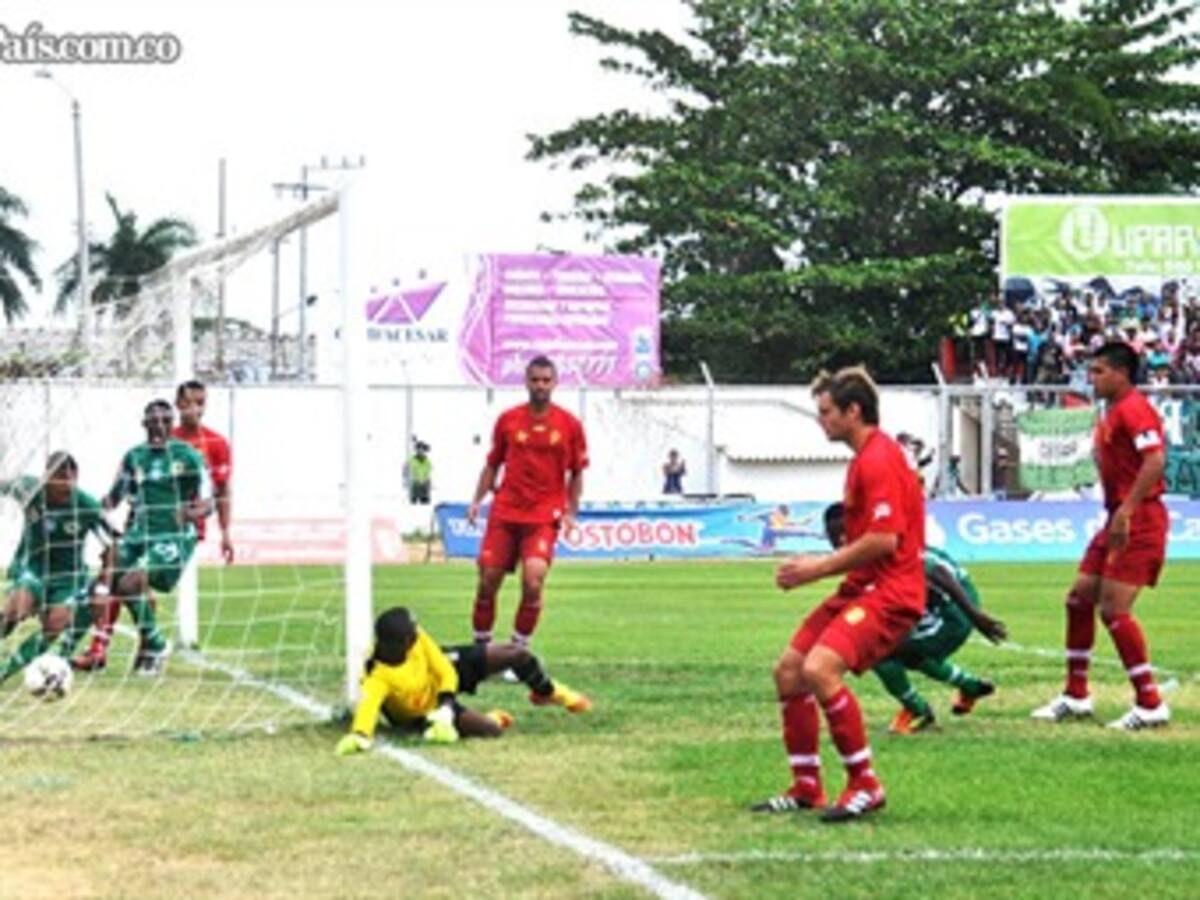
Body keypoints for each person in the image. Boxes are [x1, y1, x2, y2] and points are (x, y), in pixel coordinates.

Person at [752, 367, 924, 823]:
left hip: (890, 592)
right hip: (861, 588)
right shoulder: (863, 458)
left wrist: (815, 569)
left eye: (826, 412)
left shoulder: (879, 460)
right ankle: (807, 787)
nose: (820, 420)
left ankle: (866, 783)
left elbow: (885, 541)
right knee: (789, 672)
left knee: (820, 669)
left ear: (854, 411)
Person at [1032, 341, 1171, 729]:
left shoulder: (1135, 410)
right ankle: (1076, 696)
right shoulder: (1112, 412)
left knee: (1113, 609)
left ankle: (1150, 703)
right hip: (1117, 518)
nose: (1092, 378)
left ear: (1121, 373)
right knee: (1079, 599)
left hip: (1138, 519)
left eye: (1099, 372)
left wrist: (1126, 510)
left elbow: (1155, 459)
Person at [822, 503, 1006, 734]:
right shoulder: (876, 541)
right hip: (933, 608)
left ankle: (919, 711)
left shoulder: (883, 545)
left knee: (879, 652)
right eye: (832, 537)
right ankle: (969, 686)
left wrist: (975, 616)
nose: (839, 543)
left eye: (842, 535)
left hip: (950, 615)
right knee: (902, 651)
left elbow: (937, 572)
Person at [72, 399, 213, 675]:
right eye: (153, 421)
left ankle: (155, 644)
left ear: (172, 425)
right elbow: (114, 497)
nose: (158, 426)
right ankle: (90, 651)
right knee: (101, 583)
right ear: (144, 424)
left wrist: (194, 511)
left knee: (131, 581)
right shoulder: (134, 456)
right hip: (139, 535)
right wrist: (90, 507)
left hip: (173, 538)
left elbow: (210, 500)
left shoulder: (188, 456)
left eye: (164, 421)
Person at [334, 606, 590, 755]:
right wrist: (359, 736)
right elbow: (368, 709)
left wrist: (446, 704)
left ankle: (546, 692)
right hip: (424, 712)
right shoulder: (377, 676)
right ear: (402, 642)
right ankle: (494, 716)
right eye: (413, 633)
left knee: (517, 654)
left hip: (442, 679)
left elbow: (444, 669)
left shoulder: (417, 638)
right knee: (492, 731)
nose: (418, 632)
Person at [467, 356, 587, 650]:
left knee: (533, 582)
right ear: (526, 382)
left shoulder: (569, 424)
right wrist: (476, 500)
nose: (540, 386)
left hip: (544, 516)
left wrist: (571, 511)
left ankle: (518, 651)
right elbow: (493, 464)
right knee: (487, 582)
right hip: (506, 512)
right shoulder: (508, 420)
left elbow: (577, 471)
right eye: (535, 380)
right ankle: (482, 650)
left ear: (555, 383)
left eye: (546, 380)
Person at [0, 452, 115, 683]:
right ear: (46, 478)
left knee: (55, 623)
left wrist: (104, 585)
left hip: (68, 577)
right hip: (32, 567)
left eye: (71, 480)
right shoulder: (28, 490)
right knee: (15, 610)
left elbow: (113, 545)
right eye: (59, 480)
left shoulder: (86, 506)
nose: (66, 487)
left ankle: (5, 672)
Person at [405, 440, 433, 505]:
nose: (421, 451)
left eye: (423, 449)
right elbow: (406, 472)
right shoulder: (411, 460)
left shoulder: (427, 461)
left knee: (425, 502)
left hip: (425, 484)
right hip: (415, 483)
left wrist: (426, 481)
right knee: (413, 502)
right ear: (416, 450)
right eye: (419, 449)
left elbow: (428, 472)